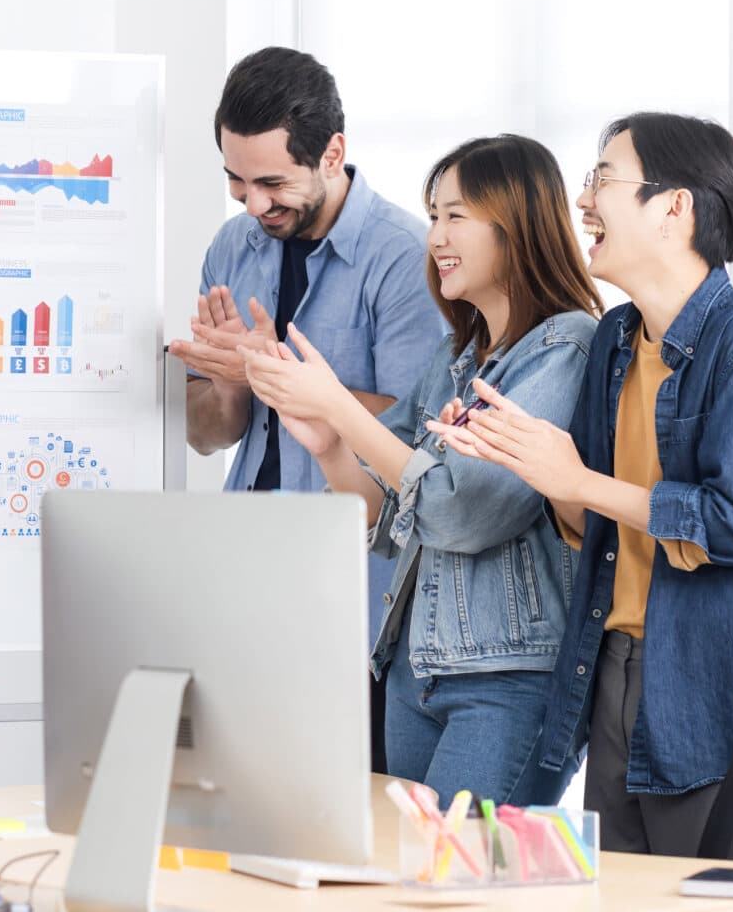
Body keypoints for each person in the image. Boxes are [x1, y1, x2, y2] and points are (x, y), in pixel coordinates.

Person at [429, 113, 733, 855]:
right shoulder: (616, 338)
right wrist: (528, 457)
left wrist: (578, 476)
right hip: (612, 668)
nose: (583, 200)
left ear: (674, 207)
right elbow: (588, 524)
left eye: (602, 179)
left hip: (716, 688)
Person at [241, 134, 600, 803]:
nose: (435, 236)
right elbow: (380, 503)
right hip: (414, 671)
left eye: (456, 215)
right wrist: (328, 443)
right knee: (406, 882)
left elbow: (463, 511)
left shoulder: (566, 346)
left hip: (507, 681)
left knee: (459, 887)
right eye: (433, 215)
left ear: (517, 223)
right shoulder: (456, 358)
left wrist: (343, 410)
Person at [167, 46, 444, 769]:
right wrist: (229, 385)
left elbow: (421, 433)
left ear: (333, 153)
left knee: (348, 807)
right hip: (246, 573)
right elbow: (210, 434)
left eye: (270, 182)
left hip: (354, 584)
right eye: (235, 180)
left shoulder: (404, 257)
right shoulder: (232, 247)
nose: (253, 203)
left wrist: (275, 373)